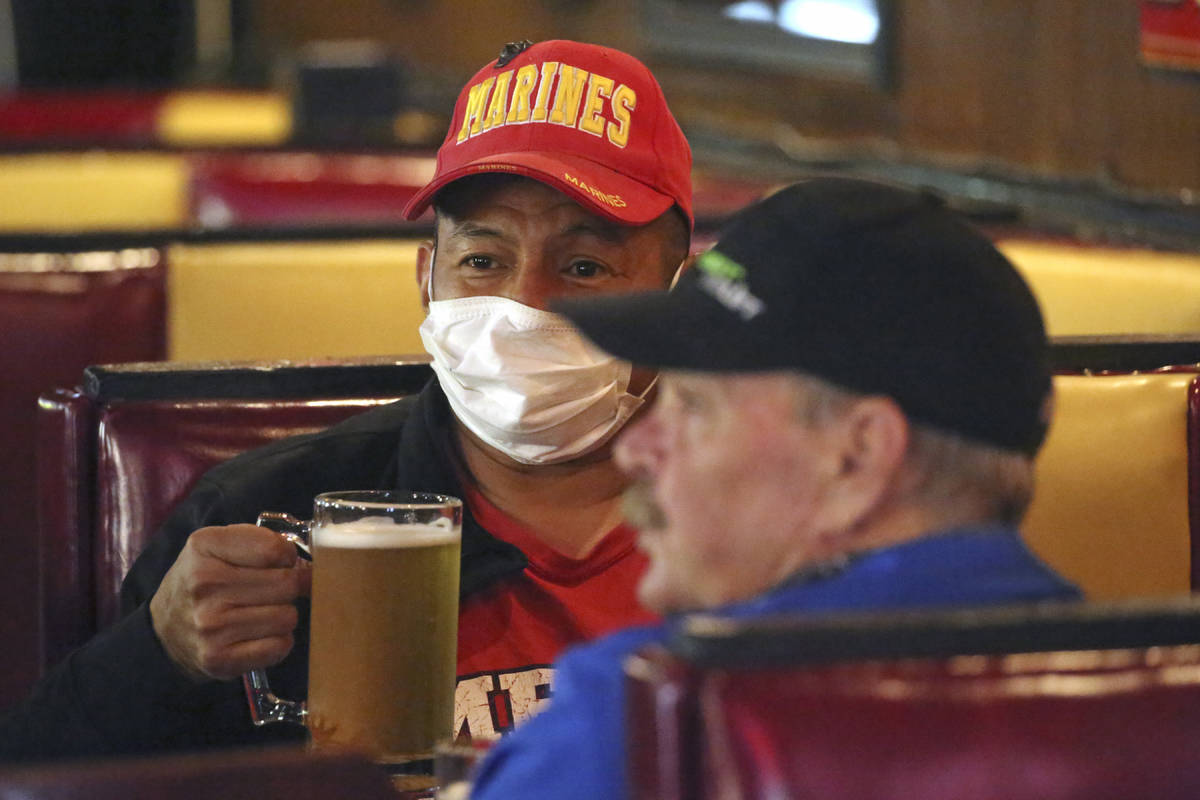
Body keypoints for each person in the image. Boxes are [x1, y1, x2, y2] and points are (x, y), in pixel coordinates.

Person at [0, 39, 693, 760]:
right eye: (482, 261)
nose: (524, 307)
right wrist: (160, 653)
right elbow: (33, 768)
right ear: (427, 278)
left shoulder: (760, 521)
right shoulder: (274, 506)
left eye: (584, 267)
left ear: (683, 294)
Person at [467, 177, 1082, 799]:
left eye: (695, 405)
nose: (638, 449)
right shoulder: (1160, 701)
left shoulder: (650, 724)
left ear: (857, 457)